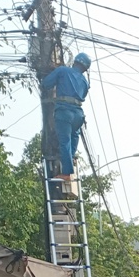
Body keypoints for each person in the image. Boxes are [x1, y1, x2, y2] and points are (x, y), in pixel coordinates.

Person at [40, 53, 91, 181]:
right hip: (78, 114)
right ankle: (70, 160)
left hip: (64, 111)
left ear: (75, 62)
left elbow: (46, 84)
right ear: (85, 68)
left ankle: (67, 173)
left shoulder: (63, 70)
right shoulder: (85, 82)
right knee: (74, 137)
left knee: (65, 142)